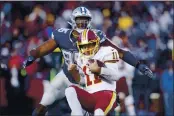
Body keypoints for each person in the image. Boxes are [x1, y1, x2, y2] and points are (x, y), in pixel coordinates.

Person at [23, 6, 153, 115]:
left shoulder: (95, 36)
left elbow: (119, 52)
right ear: (73, 21)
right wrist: (33, 55)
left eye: (85, 21)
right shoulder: (62, 35)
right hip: (65, 76)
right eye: (79, 21)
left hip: (85, 82)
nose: (82, 24)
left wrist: (138, 65)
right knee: (43, 105)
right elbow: (46, 47)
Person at [65, 29, 120, 115]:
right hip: (90, 95)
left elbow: (116, 76)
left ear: (97, 42)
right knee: (70, 90)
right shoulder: (81, 58)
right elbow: (84, 81)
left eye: (90, 45)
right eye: (83, 46)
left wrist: (99, 70)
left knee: (98, 112)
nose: (87, 49)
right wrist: (74, 73)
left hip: (107, 94)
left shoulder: (106, 52)